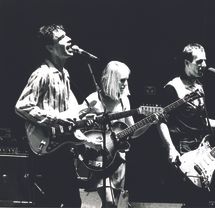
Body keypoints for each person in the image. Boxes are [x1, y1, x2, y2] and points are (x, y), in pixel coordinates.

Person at [15, 24, 93, 207]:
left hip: (61, 145)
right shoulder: (42, 73)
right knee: (54, 202)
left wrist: (85, 116)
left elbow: (70, 111)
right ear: (50, 48)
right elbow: (21, 106)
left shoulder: (64, 74)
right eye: (62, 38)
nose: (69, 40)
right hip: (46, 145)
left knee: (72, 202)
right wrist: (55, 118)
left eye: (67, 36)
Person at [157, 43, 215, 205]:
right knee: (193, 197)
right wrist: (170, 148)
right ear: (186, 63)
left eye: (205, 61)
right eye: (199, 62)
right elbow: (161, 121)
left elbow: (202, 122)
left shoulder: (199, 86)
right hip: (183, 147)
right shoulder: (173, 87)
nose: (204, 65)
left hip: (201, 147)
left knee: (201, 200)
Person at [79, 60, 133, 207]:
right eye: (122, 80)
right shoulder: (93, 100)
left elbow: (133, 132)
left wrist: (150, 122)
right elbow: (75, 125)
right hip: (99, 157)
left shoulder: (124, 101)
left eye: (127, 80)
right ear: (112, 80)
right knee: (109, 202)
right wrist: (86, 141)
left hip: (118, 158)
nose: (125, 84)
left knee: (113, 205)